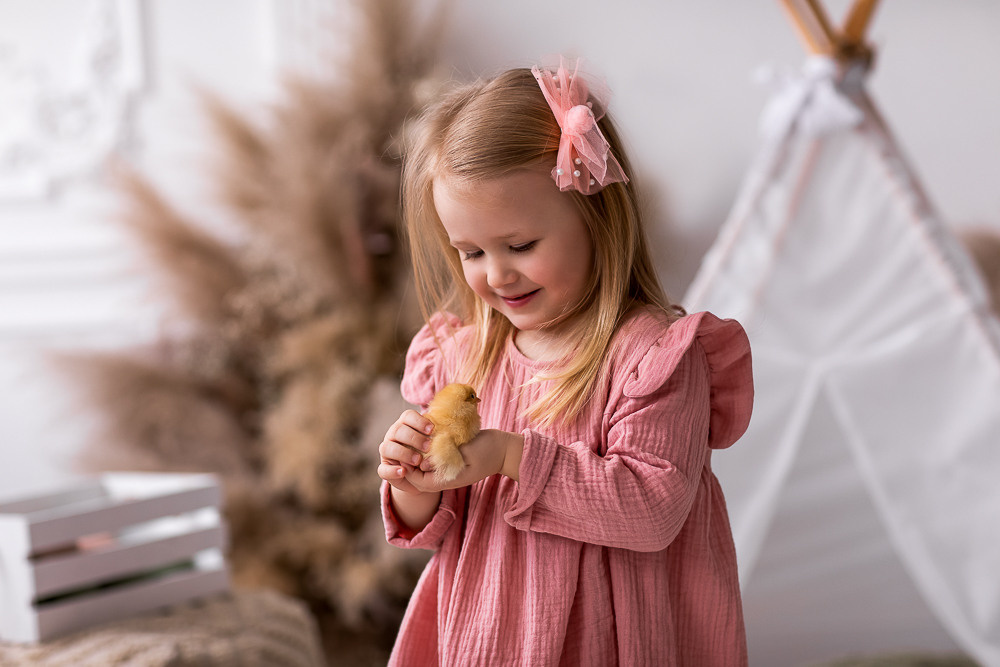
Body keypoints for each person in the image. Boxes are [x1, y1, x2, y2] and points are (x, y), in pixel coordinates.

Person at [377, 56, 754, 666]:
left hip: (609, 638)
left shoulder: (650, 358)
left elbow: (653, 508)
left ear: (595, 218)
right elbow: (440, 521)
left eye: (520, 245)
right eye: (471, 252)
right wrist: (411, 480)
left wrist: (510, 456)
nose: (497, 274)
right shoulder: (463, 359)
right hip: (489, 633)